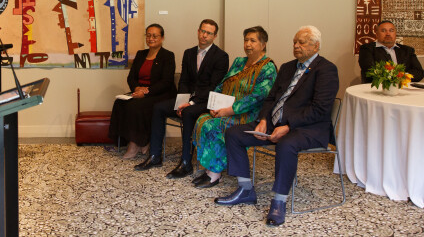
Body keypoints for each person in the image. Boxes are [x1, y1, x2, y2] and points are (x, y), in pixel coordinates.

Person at [215, 25, 339, 227]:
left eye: (301, 42)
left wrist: (288, 126)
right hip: (276, 124)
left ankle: (279, 202)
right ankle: (245, 189)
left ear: (316, 46)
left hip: (308, 128)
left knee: (286, 144)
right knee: (234, 133)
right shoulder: (288, 67)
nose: (296, 46)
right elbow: (271, 98)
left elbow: (320, 109)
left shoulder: (326, 69)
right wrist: (264, 120)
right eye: (294, 42)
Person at [135, 19, 229, 178]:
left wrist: (190, 103)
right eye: (202, 31)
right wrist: (182, 101)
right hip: (188, 99)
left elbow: (214, 86)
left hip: (206, 101)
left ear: (215, 36)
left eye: (209, 33)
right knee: (158, 107)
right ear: (198, 31)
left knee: (188, 112)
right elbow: (184, 80)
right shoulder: (189, 53)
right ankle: (155, 156)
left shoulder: (221, 56)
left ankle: (186, 163)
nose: (204, 35)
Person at [191, 26, 277, 188]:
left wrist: (228, 111)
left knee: (214, 125)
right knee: (202, 119)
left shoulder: (268, 67)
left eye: (253, 40)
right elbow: (223, 84)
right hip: (226, 109)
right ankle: (210, 168)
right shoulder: (239, 62)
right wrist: (214, 105)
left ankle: (215, 173)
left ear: (263, 44)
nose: (248, 44)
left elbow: (257, 97)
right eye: (246, 40)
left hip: (249, 115)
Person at [108, 24, 176, 159]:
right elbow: (131, 77)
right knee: (120, 103)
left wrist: (146, 92)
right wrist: (136, 88)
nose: (151, 38)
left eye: (155, 36)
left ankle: (136, 143)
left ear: (162, 38)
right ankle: (129, 141)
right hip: (140, 91)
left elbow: (166, 81)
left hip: (161, 93)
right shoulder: (141, 54)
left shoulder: (168, 55)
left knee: (137, 106)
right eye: (148, 35)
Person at [358, 20, 423, 83]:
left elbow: (419, 72)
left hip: (404, 87)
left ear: (395, 34)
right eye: (383, 31)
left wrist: (401, 77)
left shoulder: (407, 50)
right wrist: (399, 76)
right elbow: (370, 71)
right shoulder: (367, 49)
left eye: (391, 30)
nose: (388, 34)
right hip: (378, 88)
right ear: (377, 34)